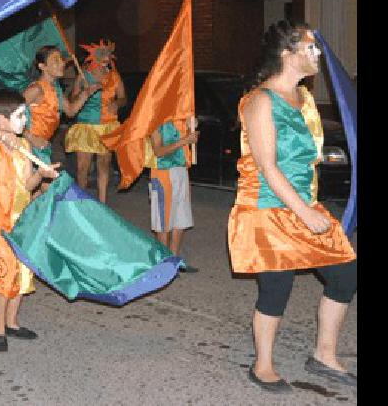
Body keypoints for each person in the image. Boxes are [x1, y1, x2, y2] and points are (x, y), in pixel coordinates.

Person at [229, 21, 357, 392]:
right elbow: (268, 167)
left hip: (302, 204)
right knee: (276, 287)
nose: (317, 54)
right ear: (288, 54)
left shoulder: (304, 100)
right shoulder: (259, 101)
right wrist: (305, 213)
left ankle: (324, 354)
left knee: (346, 275)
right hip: (267, 209)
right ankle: (263, 365)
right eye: (310, 47)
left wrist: (311, 208)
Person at [0, 89, 60, 352]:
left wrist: (42, 175)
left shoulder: (25, 146)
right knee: (3, 275)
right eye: (20, 115)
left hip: (21, 216)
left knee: (22, 272)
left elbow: (27, 183)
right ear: (0, 119)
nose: (25, 120)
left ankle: (12, 321)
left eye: (25, 114)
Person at [64, 40, 127, 203]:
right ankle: (81, 203)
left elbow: (123, 97)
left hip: (107, 126)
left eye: (108, 56)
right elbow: (72, 101)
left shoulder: (114, 76)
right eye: (102, 55)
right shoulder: (83, 76)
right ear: (94, 58)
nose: (106, 59)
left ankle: (102, 203)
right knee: (82, 168)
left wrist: (117, 103)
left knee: (104, 166)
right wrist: (85, 92)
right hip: (86, 126)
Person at [22, 45, 101, 169]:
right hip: (27, 145)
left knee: (44, 184)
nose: (62, 63)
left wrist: (86, 93)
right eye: (56, 61)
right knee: (48, 184)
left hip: (43, 144)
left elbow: (70, 111)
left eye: (61, 59)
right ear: (43, 67)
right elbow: (9, 113)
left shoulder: (56, 88)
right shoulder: (36, 89)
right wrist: (31, 138)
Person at [147, 117, 200, 273]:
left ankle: (174, 261)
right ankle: (163, 263)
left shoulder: (182, 118)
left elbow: (188, 143)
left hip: (181, 170)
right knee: (163, 222)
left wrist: (192, 130)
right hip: (163, 172)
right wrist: (184, 141)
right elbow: (158, 151)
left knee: (181, 219)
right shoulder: (155, 121)